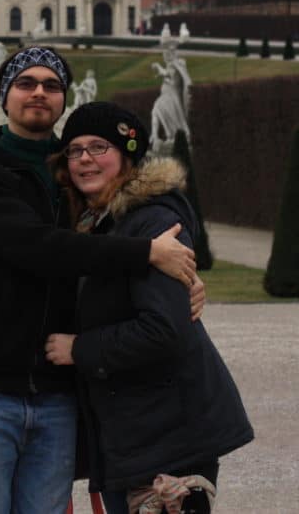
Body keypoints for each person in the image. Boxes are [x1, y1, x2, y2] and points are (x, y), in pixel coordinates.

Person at [0, 47, 201, 514]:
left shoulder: (78, 176)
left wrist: (183, 282)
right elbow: (37, 247)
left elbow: (125, 224)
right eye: (26, 82)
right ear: (5, 96)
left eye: (52, 85)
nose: (39, 92)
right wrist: (148, 254)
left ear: (63, 100)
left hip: (58, 393)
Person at [43, 102, 253, 513]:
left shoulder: (154, 222)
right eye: (75, 150)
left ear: (127, 155)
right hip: (142, 429)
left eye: (99, 147)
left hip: (169, 437)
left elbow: (163, 329)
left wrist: (78, 349)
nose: (85, 158)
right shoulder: (97, 222)